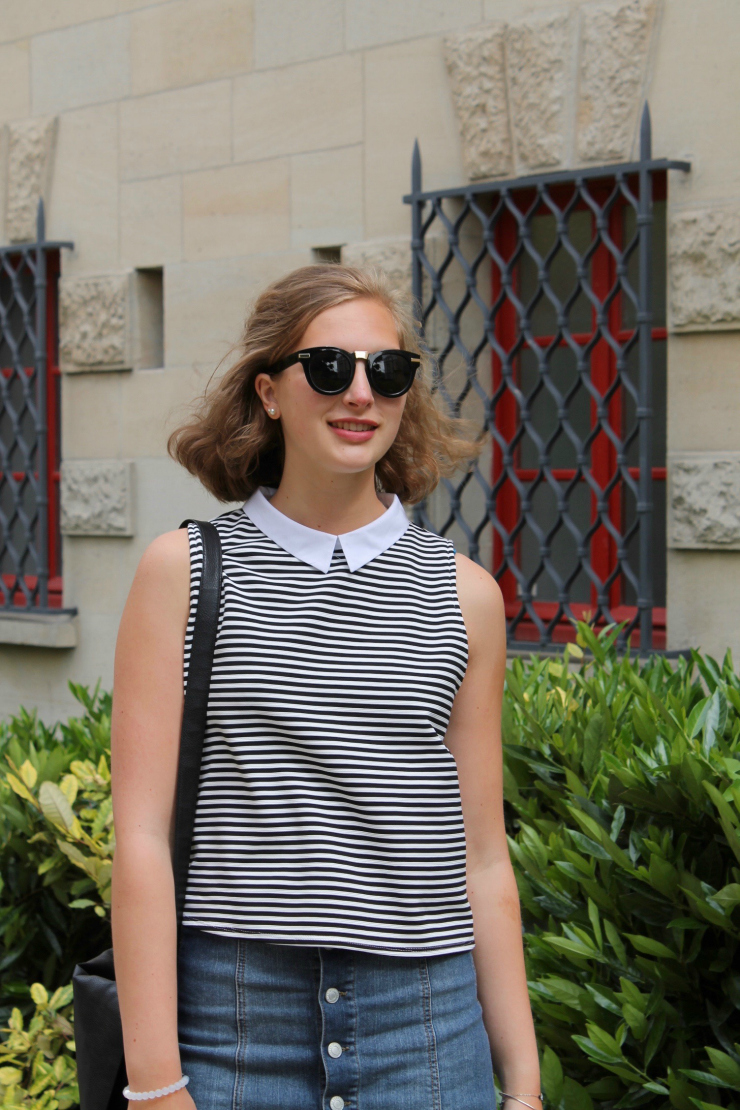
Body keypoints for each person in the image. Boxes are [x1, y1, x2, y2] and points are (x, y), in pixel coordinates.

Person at [110, 265, 542, 1110]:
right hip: (232, 1024)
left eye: (387, 372)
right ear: (269, 391)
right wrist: (156, 1084)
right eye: (329, 368)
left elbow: (483, 855)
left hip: (427, 1027)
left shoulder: (467, 596)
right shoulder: (187, 571)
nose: (360, 394)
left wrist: (522, 1083)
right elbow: (141, 840)